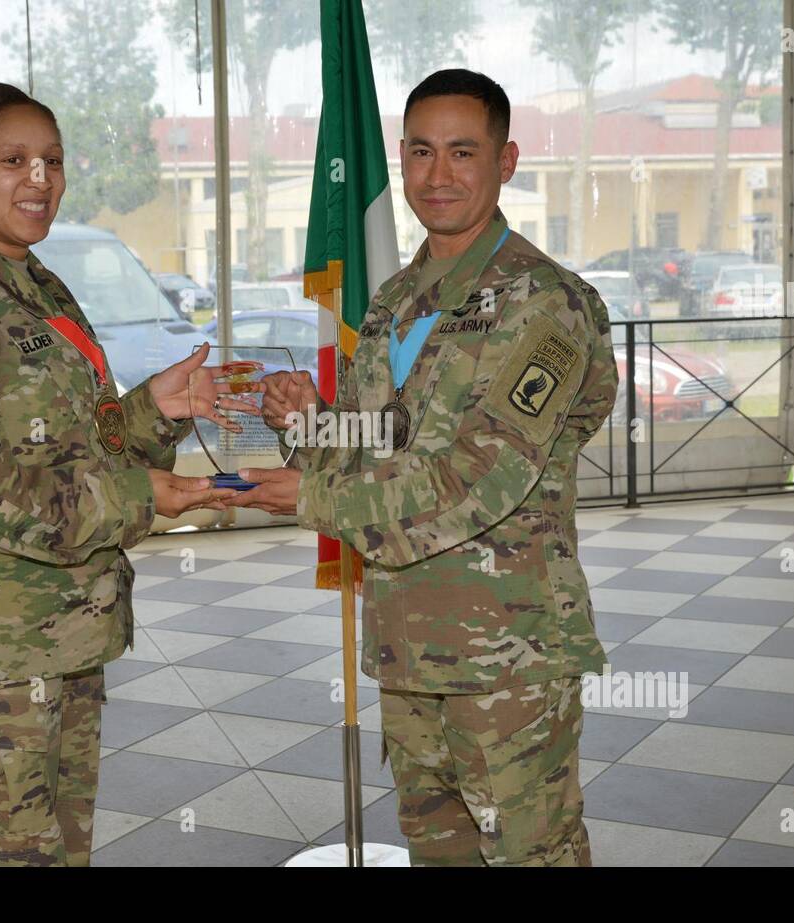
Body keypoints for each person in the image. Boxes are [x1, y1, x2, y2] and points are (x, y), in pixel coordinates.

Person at [0, 82, 252, 866]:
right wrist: (138, 496)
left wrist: (151, 412)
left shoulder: (33, 286)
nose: (40, 179)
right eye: (13, 160)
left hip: (52, 636)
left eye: (52, 161)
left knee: (57, 854)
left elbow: (68, 448)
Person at [231, 69, 619, 866]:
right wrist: (306, 422)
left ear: (506, 161)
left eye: (462, 152)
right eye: (419, 151)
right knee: (437, 849)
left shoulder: (544, 302)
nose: (437, 175)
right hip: (410, 641)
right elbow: (389, 441)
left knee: (530, 851)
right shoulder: (399, 297)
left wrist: (313, 497)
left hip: (506, 652)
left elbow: (483, 474)